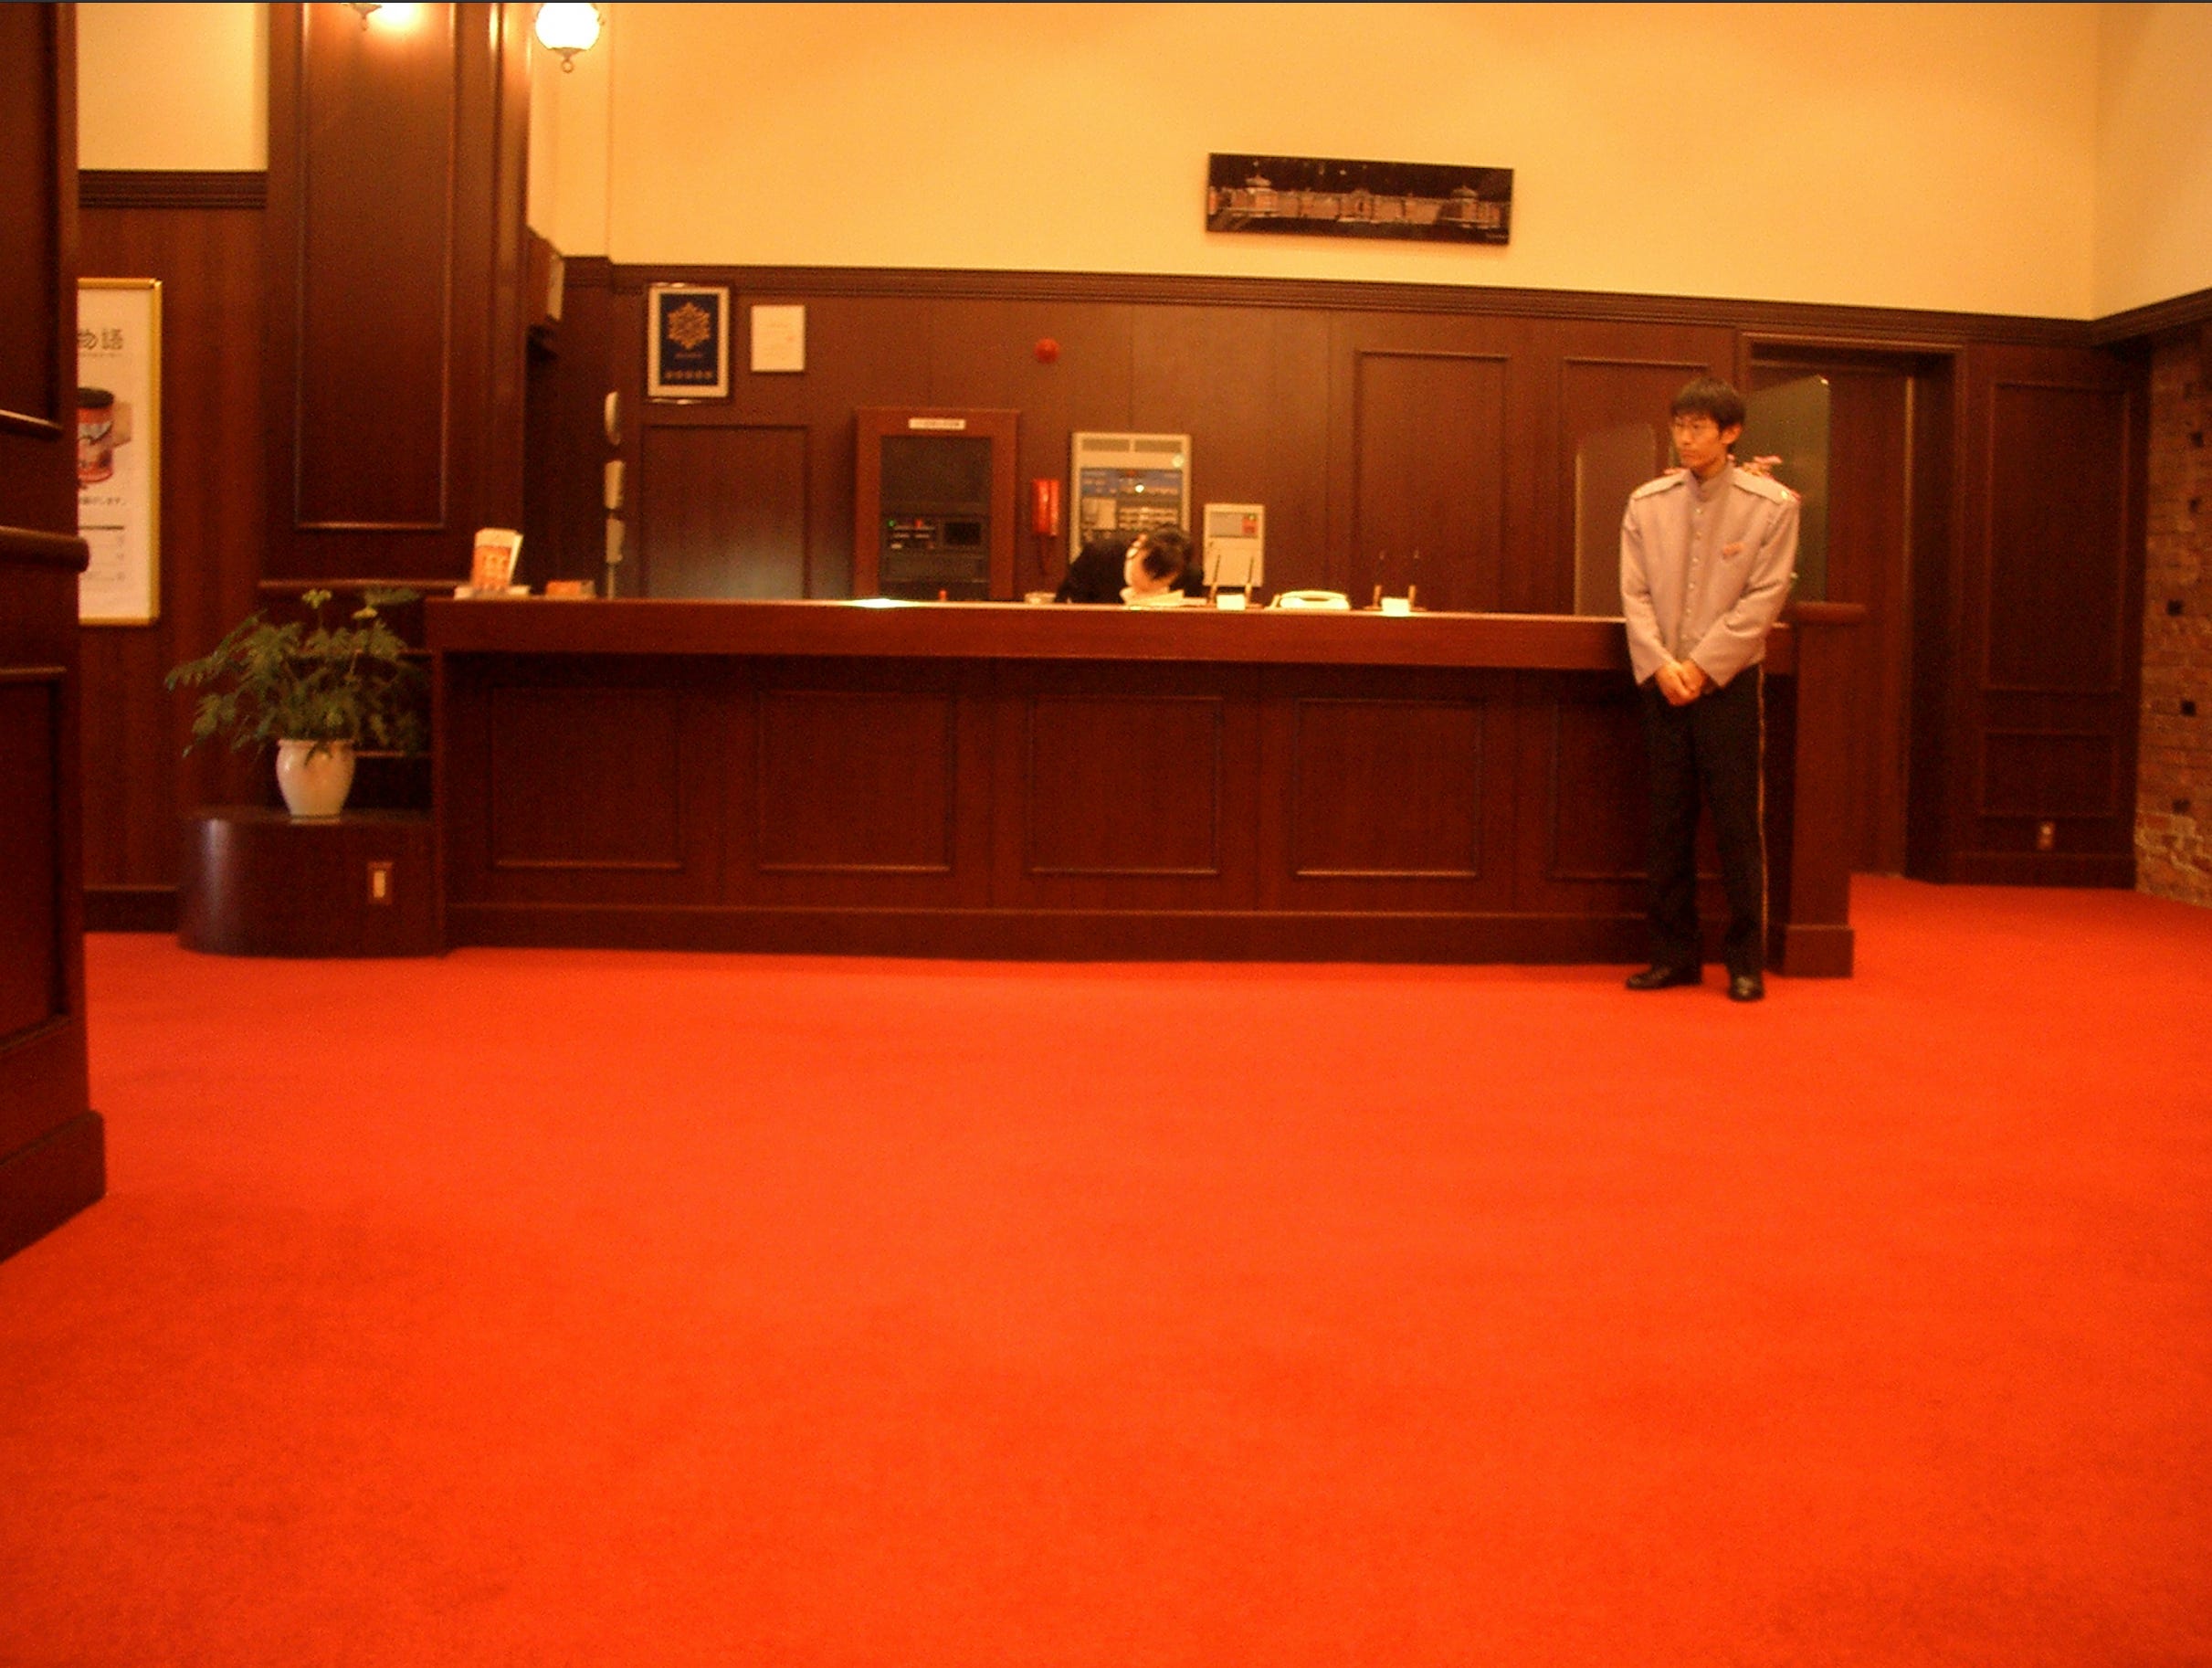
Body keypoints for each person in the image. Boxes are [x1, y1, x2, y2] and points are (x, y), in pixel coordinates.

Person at [1618, 377, 1799, 1003]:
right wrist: (1662, 664)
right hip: (1662, 682)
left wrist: (1701, 667)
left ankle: (1745, 962)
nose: (1686, 438)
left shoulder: (1771, 506)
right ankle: (1673, 956)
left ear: (1731, 433)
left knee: (1736, 824)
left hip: (1727, 684)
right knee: (1667, 822)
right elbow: (1634, 593)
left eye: (1698, 427)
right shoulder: (1647, 503)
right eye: (1679, 426)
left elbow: (1764, 600)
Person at [1053, 526, 1206, 606]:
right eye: (1146, 569)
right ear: (1141, 543)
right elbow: (1065, 607)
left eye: (1160, 579)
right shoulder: (1099, 556)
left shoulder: (1191, 578)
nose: (1147, 583)